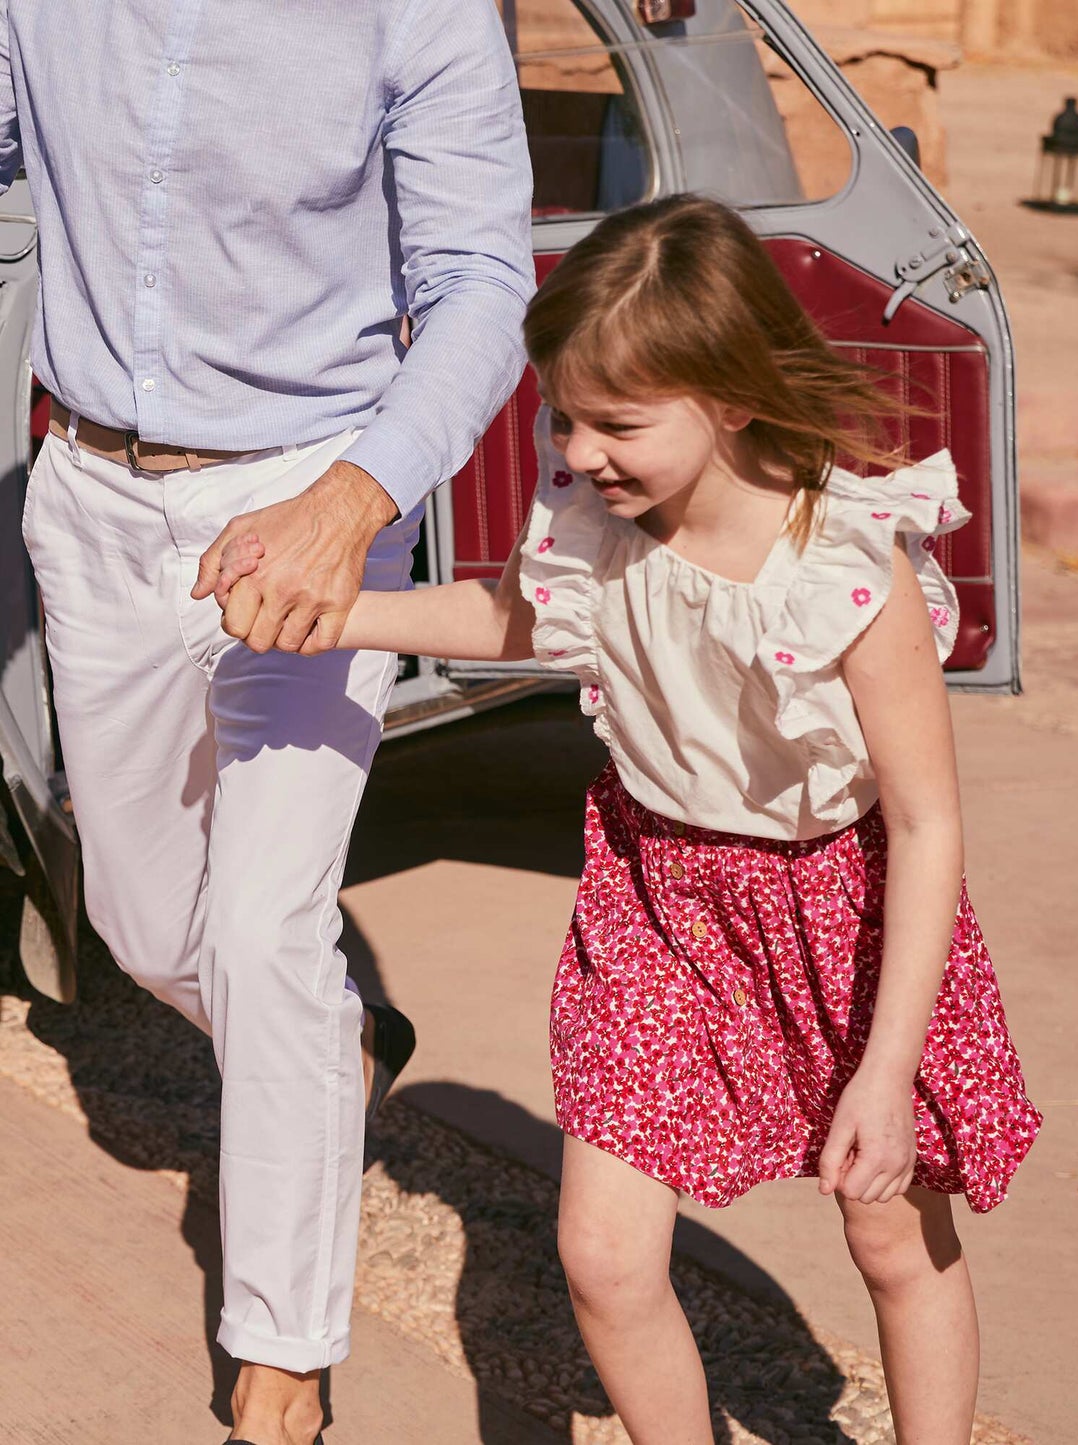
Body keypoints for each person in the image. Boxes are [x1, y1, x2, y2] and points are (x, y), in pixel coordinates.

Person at [215, 194, 1040, 1445]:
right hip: (653, 903)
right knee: (602, 1257)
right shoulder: (594, 529)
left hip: (841, 910)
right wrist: (331, 613)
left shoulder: (847, 569)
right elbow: (514, 618)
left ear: (731, 396)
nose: (580, 449)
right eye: (563, 414)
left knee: (889, 1233)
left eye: (617, 423)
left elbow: (925, 827)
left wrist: (885, 1070)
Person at [2, 2, 534, 1440]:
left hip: (309, 496)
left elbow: (481, 282)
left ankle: (281, 1370)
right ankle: (332, 1051)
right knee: (140, 925)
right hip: (92, 500)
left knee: (262, 935)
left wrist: (351, 502)